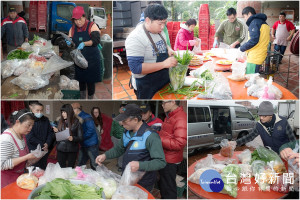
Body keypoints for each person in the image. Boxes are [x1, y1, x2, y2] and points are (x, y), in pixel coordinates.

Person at [96, 104, 166, 192]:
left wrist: (140, 165)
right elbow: (119, 149)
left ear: (135, 120)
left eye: (124, 121)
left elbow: (160, 162)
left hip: (144, 183)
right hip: (127, 178)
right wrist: (105, 155)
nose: (122, 124)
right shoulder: (127, 132)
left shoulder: (151, 136)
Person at [125, 4, 178, 99]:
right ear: (148, 20)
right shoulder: (136, 37)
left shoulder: (160, 31)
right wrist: (164, 64)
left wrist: (169, 49)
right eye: (160, 23)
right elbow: (136, 68)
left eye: (164, 23)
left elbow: (164, 43)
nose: (163, 27)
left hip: (163, 80)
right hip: (147, 85)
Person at [223, 101, 296, 154]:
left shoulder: (283, 122)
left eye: (264, 116)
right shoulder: (259, 125)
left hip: (285, 154)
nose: (261, 118)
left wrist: (290, 150)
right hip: (270, 154)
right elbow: (249, 137)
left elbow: (293, 140)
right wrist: (235, 142)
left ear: (271, 115)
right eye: (260, 115)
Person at [67, 6, 103, 99]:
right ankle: (83, 98)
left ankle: (90, 98)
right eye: (75, 20)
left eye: (80, 19)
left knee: (91, 81)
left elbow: (96, 40)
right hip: (79, 60)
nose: (78, 22)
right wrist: (69, 42)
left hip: (92, 58)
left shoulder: (92, 25)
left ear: (84, 16)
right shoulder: (73, 29)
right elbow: (71, 41)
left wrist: (84, 43)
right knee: (81, 81)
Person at [158, 100, 187, 199]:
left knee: (168, 188)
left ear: (173, 102)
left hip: (170, 160)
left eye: (164, 103)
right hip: (165, 157)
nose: (162, 105)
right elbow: (167, 135)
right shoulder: (171, 116)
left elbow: (179, 143)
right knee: (165, 186)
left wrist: (158, 139)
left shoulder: (180, 118)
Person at [1, 109, 37, 188]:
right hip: (8, 180)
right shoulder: (7, 138)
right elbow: (2, 165)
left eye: (32, 126)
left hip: (19, 177)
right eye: (28, 125)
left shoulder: (22, 135)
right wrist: (26, 157)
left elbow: (18, 156)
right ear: (17, 122)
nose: (30, 128)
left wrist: (29, 160)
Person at [239, 6, 270, 74]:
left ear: (249, 14)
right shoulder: (264, 23)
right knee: (254, 78)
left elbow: (254, 40)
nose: (245, 19)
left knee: (250, 79)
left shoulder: (254, 22)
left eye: (244, 16)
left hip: (254, 57)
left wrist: (241, 48)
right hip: (260, 55)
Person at [26, 102, 54, 170]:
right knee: (34, 170)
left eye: (41, 110)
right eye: (37, 110)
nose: (39, 112)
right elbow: (30, 137)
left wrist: (47, 143)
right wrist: (42, 144)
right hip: (34, 150)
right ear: (32, 110)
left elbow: (50, 133)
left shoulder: (45, 119)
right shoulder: (29, 120)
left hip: (44, 149)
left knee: (43, 169)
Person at [72, 103, 99, 170]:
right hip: (83, 144)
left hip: (91, 144)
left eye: (71, 109)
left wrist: (81, 137)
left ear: (76, 109)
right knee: (80, 164)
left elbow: (91, 130)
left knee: (94, 164)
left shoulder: (87, 117)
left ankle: (98, 178)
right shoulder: (76, 117)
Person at [110, 103, 126, 171]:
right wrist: (111, 135)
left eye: (124, 108)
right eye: (121, 108)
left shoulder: (127, 118)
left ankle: (121, 165)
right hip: (115, 137)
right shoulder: (116, 117)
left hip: (122, 138)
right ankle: (119, 163)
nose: (122, 109)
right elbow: (113, 126)